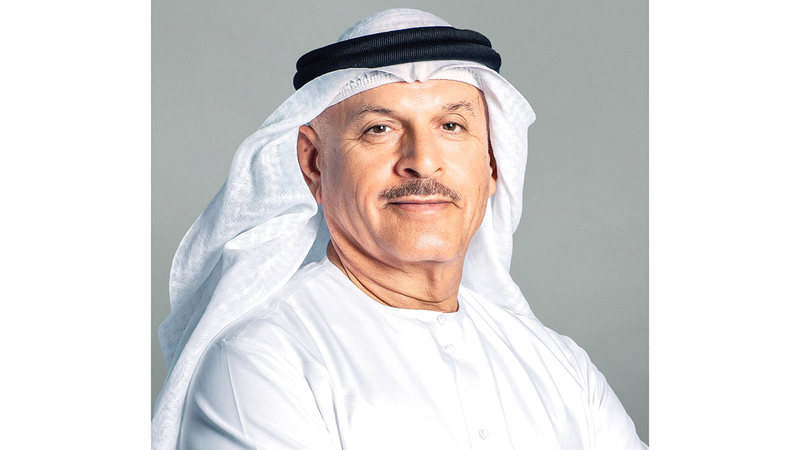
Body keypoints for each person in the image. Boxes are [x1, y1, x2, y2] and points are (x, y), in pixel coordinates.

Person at [152, 8, 647, 449]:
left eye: (451, 126)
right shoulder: (261, 361)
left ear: (493, 163)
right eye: (379, 129)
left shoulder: (561, 367)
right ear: (314, 164)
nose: (422, 161)